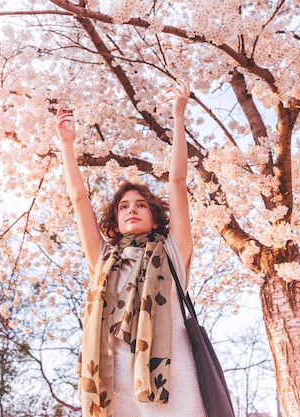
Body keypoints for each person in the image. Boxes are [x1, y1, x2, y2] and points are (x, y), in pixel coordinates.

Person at [55, 81, 206, 417]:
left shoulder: (171, 253)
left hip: (171, 377)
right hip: (113, 376)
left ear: (155, 218)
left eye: (141, 205)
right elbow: (79, 200)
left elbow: (178, 183)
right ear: (116, 219)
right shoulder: (104, 259)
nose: (132, 210)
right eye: (124, 207)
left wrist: (178, 116)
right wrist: (67, 145)